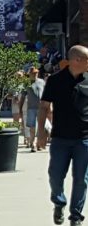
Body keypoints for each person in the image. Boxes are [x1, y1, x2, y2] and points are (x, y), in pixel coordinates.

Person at [38, 45, 88, 226]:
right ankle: (59, 202)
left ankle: (76, 217)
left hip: (84, 139)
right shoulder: (55, 80)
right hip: (60, 138)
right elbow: (44, 107)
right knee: (55, 176)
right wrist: (41, 133)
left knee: (82, 179)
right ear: (77, 61)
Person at [19, 67, 44, 152]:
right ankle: (32, 143)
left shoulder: (42, 82)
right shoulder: (26, 84)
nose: (35, 74)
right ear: (29, 74)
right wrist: (20, 108)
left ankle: (38, 144)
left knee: (41, 127)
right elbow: (22, 97)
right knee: (32, 127)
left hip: (41, 108)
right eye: (33, 73)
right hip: (31, 108)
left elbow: (46, 95)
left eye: (36, 73)